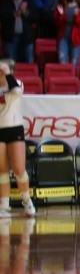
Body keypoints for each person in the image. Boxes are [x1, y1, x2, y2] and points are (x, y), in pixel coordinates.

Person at [0, 59, 36, 219]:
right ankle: (4, 206)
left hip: (14, 129)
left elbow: (15, 91)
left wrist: (7, 73)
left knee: (19, 169)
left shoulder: (18, 83)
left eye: (3, 71)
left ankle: (27, 201)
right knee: (1, 170)